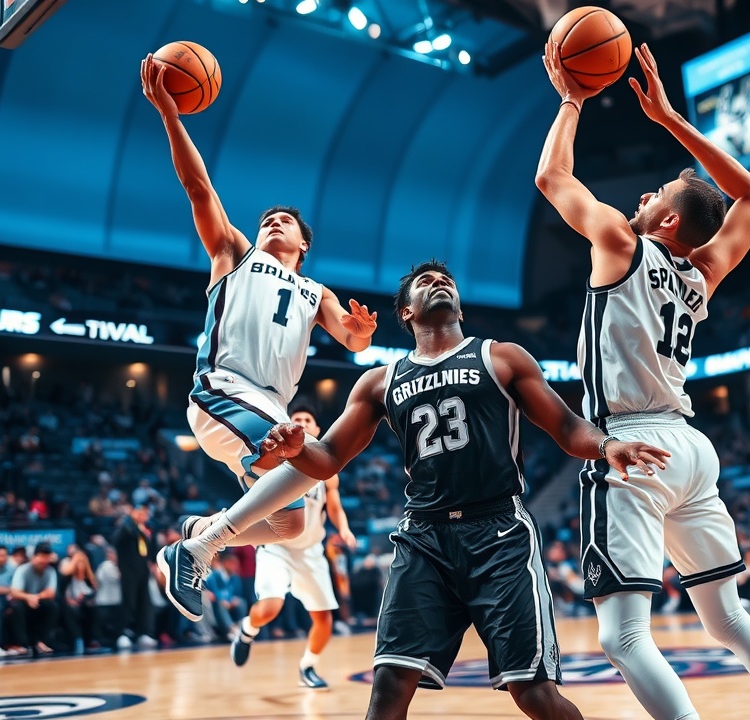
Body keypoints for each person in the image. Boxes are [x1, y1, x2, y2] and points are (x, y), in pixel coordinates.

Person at [535, 42, 750, 720]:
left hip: (633, 445)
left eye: (657, 193)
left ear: (666, 222)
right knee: (728, 618)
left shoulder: (619, 242)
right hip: (691, 450)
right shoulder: (704, 273)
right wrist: (668, 118)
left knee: (622, 636)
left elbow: (552, 176)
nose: (643, 194)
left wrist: (572, 99)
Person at [257, 262, 669, 719]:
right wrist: (297, 449)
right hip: (424, 537)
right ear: (407, 312)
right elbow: (330, 455)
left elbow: (568, 427)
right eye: (426, 282)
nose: (439, 283)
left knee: (533, 693)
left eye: (446, 282)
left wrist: (607, 445)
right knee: (388, 688)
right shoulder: (379, 381)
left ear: (460, 309)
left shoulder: (502, 357)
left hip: (499, 533)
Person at [139, 57, 379, 622]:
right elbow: (198, 187)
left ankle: (201, 533)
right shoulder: (235, 253)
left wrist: (360, 332)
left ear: (304, 244)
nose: (273, 222)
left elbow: (352, 343)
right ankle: (197, 549)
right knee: (307, 468)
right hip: (223, 390)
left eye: (285, 221)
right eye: (267, 218)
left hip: (269, 406)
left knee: (291, 522)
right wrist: (171, 115)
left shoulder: (317, 291)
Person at [230, 408, 357, 690]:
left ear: (317, 429)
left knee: (323, 618)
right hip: (277, 547)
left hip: (310, 549)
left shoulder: (327, 468)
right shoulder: (276, 459)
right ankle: (247, 629)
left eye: (307, 420)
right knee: (270, 608)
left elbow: (334, 506)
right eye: (296, 420)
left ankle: (307, 666)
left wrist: (344, 528)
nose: (301, 423)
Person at [113, 504, 158, 649]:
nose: (141, 516)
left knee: (144, 602)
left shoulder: (147, 529)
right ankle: (123, 634)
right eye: (139, 513)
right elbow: (116, 540)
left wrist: (153, 563)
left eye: (144, 513)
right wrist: (131, 523)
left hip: (143, 570)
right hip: (128, 570)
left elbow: (151, 549)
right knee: (129, 602)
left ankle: (143, 633)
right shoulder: (126, 526)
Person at [9, 543, 60, 656]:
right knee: (17, 606)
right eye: (41, 557)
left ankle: (42, 642)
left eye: (47, 558)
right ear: (34, 557)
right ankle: (24, 644)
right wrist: (28, 597)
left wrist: (36, 597)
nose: (44, 561)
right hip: (24, 603)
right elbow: (14, 592)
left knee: (53, 606)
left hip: (38, 602)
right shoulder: (23, 569)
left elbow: (51, 593)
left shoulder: (50, 571)